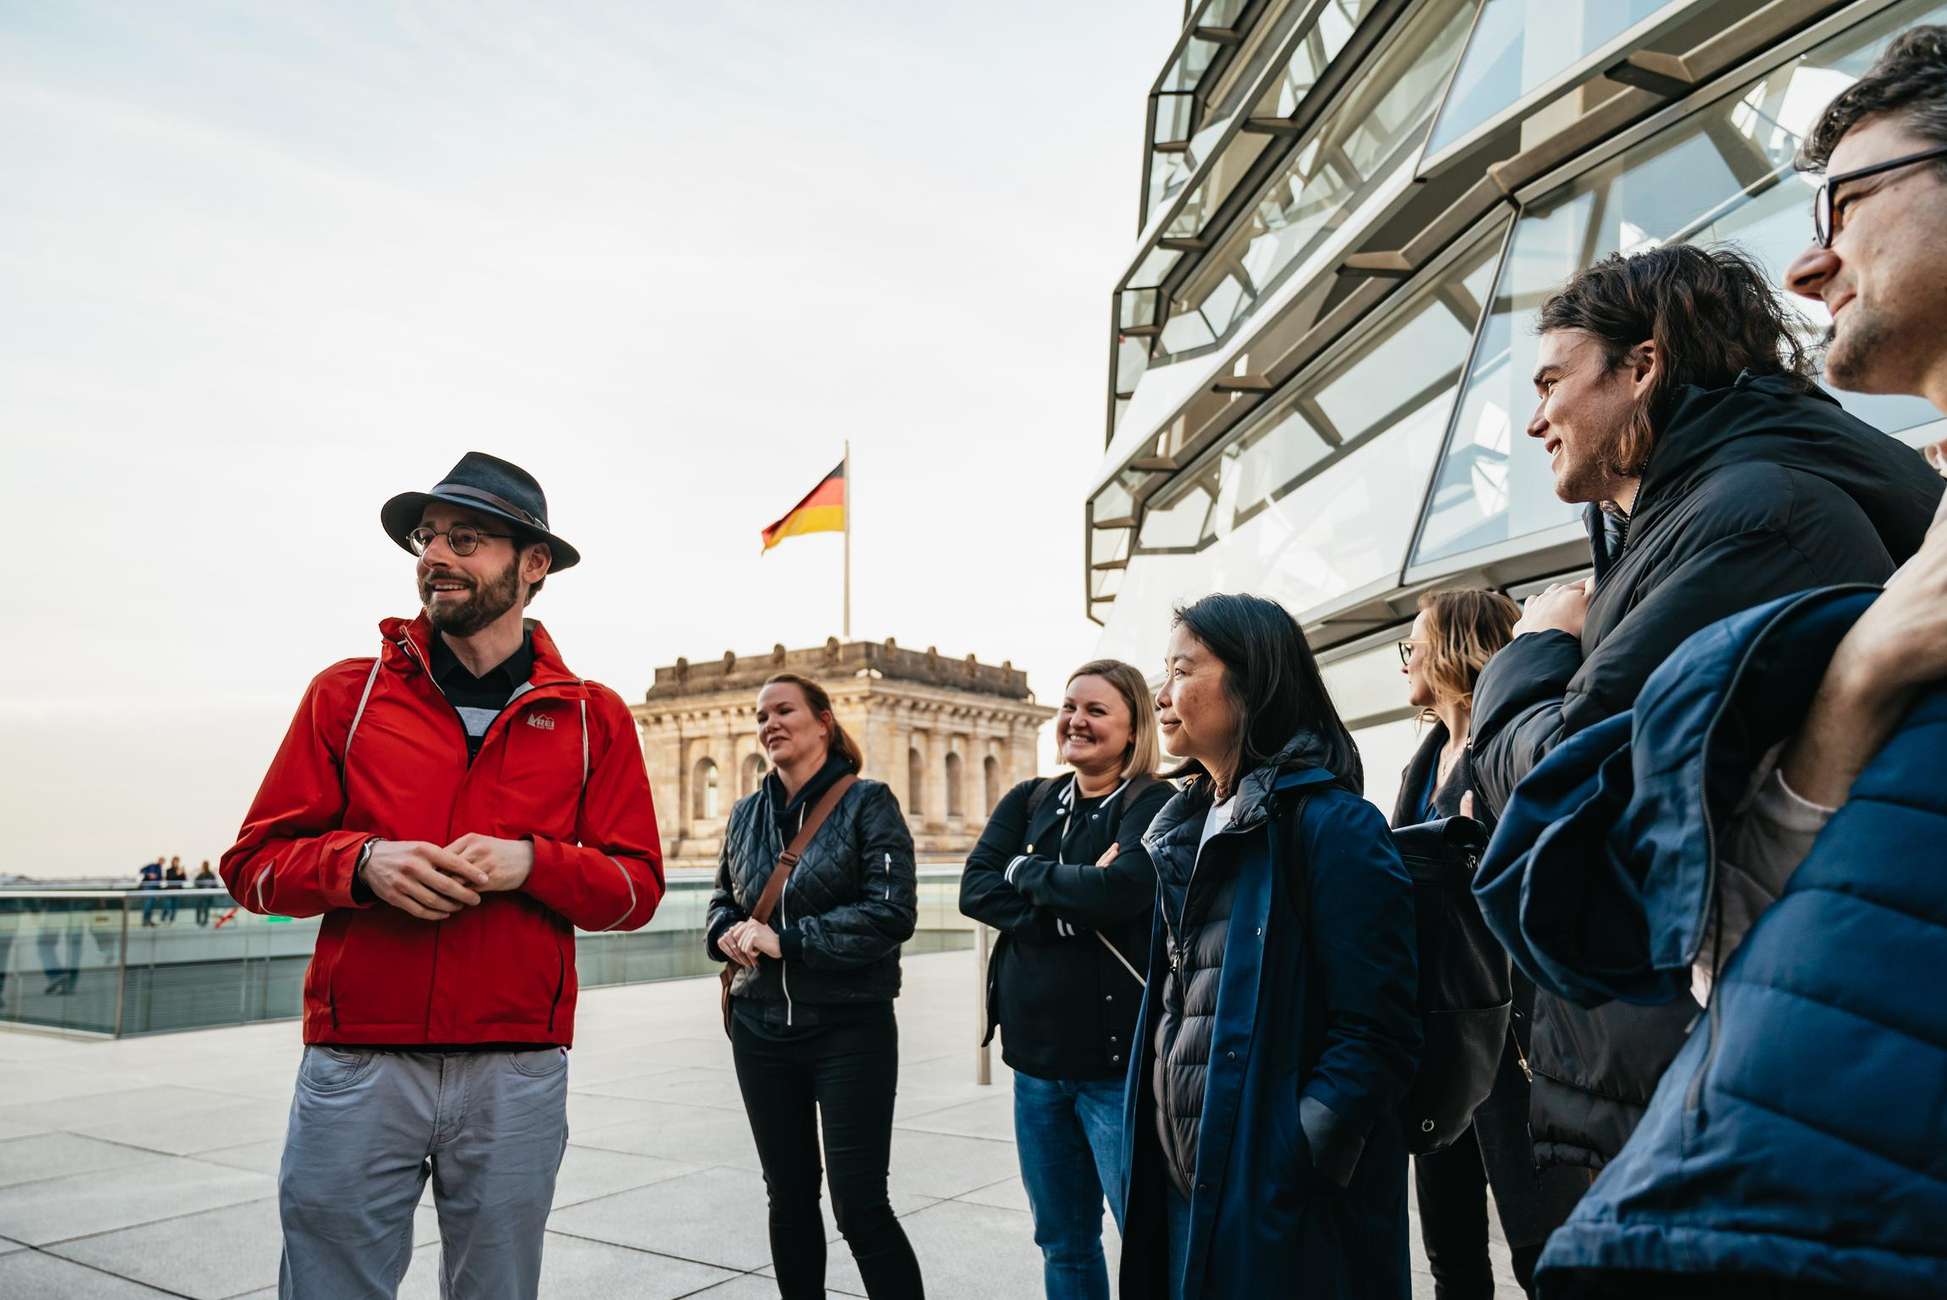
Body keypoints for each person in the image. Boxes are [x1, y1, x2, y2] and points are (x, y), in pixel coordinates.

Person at [1473, 28, 1947, 1298]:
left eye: (1553, 380)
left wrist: (1524, 668)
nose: (1534, 418)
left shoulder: (1756, 509)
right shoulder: (1710, 511)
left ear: (1644, 370)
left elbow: (1578, 817)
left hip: (1710, 1132)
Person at [221, 451, 664, 1300]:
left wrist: (536, 862)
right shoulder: (343, 696)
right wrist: (360, 864)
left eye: (467, 539)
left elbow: (637, 890)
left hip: (517, 1067)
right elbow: (253, 869)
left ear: (533, 565)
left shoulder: (591, 715)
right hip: (358, 1063)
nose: (437, 556)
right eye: (428, 538)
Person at [1119, 593, 1420, 1300]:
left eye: (1182, 671)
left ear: (1251, 680)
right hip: (1186, 1185)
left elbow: (1376, 1031)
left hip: (1272, 1199)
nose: (1161, 696)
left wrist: (1290, 1157)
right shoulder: (1181, 829)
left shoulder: (1335, 826)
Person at [959, 659, 1172, 1300]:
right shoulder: (1028, 799)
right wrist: (1063, 910)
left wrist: (1025, 871)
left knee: (1147, 1234)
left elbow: (1123, 890)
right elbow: (975, 887)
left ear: (1133, 730)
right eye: (1070, 706)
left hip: (1116, 1070)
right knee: (1063, 1240)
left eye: (1097, 710)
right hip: (1037, 1066)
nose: (1076, 720)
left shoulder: (1155, 803)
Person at [707, 672, 922, 1300]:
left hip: (848, 1029)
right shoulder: (747, 813)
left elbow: (891, 913)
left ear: (824, 721)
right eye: (761, 715)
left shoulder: (868, 802)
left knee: (860, 1205)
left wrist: (788, 940)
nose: (770, 724)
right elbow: (724, 896)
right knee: (790, 1197)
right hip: (759, 1027)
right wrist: (726, 930)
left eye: (784, 711)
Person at [1394, 591, 1583, 1299]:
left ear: (1452, 649)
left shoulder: (1510, 745)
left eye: (1413, 642)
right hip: (1441, 1042)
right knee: (1450, 1255)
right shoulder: (1424, 759)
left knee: (1545, 1257)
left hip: (1520, 1045)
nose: (1405, 659)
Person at [137, 855, 163, 926]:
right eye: (161, 860)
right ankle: (145, 922)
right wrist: (149, 874)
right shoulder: (152, 866)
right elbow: (141, 870)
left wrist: (158, 893)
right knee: (147, 905)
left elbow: (159, 881)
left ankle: (149, 921)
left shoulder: (160, 869)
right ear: (158, 860)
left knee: (152, 906)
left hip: (154, 888)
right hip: (148, 887)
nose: (161, 862)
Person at [193, 860, 219, 926]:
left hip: (207, 895)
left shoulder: (209, 874)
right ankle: (201, 921)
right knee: (202, 907)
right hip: (203, 895)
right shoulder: (203, 874)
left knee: (203, 907)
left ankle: (202, 921)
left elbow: (215, 885)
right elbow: (196, 882)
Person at [163, 856, 187, 923]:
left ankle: (171, 920)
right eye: (175, 861)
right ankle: (163, 918)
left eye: (177, 861)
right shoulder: (169, 870)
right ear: (172, 862)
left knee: (175, 907)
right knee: (167, 905)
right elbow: (169, 879)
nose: (176, 863)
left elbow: (184, 879)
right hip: (169, 890)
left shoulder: (180, 870)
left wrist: (183, 873)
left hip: (178, 891)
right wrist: (178, 873)